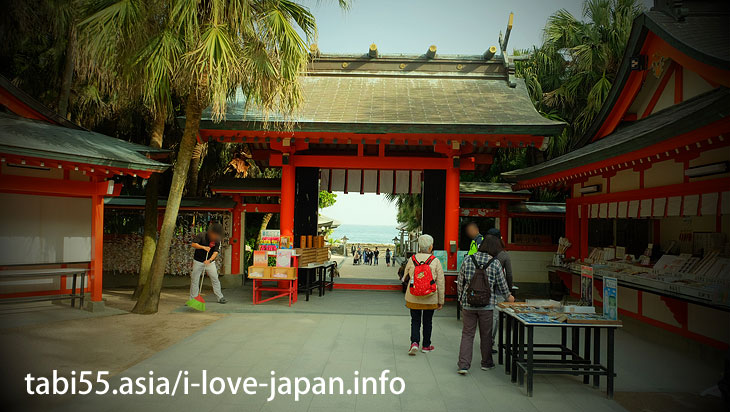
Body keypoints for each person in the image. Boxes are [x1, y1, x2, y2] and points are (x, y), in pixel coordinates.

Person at [456, 239, 513, 374]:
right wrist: (509, 297)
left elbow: (460, 281)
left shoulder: (468, 260)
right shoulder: (495, 263)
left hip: (468, 303)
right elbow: (502, 285)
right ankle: (486, 363)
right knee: (486, 334)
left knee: (467, 334)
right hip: (487, 305)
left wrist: (460, 299)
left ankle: (463, 365)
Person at [404, 234, 445, 355]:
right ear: (431, 246)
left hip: (413, 296)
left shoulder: (412, 259)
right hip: (430, 297)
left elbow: (405, 276)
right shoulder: (435, 261)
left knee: (415, 320)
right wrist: (441, 301)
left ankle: (414, 343)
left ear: (419, 246)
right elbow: (440, 282)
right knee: (428, 321)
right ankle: (426, 345)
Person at [482, 230, 513, 353]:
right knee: (494, 317)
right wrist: (509, 291)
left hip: (482, 289)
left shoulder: (482, 253)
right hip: (499, 291)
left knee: (482, 317)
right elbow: (509, 275)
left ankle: (485, 341)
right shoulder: (504, 255)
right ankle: (490, 343)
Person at [190, 222, 227, 304]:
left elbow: (216, 252)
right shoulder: (201, 235)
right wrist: (203, 247)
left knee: (215, 279)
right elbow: (193, 244)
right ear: (211, 232)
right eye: (215, 234)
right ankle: (193, 299)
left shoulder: (217, 240)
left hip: (210, 262)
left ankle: (220, 297)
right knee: (195, 280)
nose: (216, 236)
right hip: (198, 260)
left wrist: (209, 260)